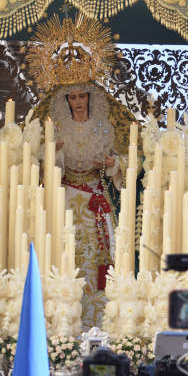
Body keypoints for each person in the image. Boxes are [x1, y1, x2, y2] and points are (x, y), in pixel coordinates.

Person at [49, 81, 125, 330]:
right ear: (66, 100)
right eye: (72, 97)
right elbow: (44, 169)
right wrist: (51, 152)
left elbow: (117, 161)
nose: (78, 102)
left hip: (95, 199)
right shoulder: (57, 127)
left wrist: (111, 163)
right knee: (65, 247)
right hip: (66, 198)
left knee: (99, 251)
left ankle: (100, 320)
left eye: (82, 96)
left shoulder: (102, 127)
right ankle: (64, 320)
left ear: (90, 97)